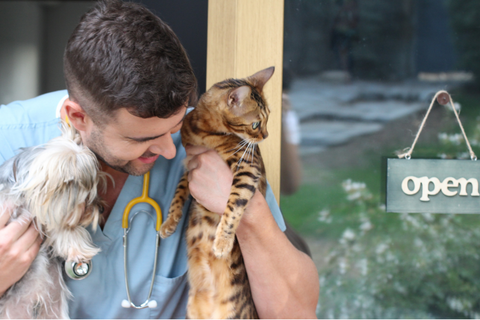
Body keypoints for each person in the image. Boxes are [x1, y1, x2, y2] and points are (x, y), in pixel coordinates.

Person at [0, 0, 319, 318]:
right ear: (78, 117)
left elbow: (296, 313)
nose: (171, 151)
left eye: (177, 126)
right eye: (142, 139)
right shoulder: (9, 139)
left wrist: (248, 213)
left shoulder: (215, 143)